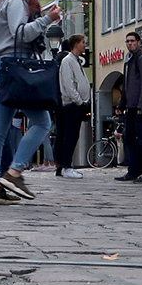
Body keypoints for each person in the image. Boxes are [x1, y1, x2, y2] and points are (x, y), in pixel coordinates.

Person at [0, 0, 62, 205]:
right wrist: (47, 19)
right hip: (15, 68)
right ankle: (14, 172)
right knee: (42, 122)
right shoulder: (16, 1)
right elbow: (21, 33)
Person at [116, 31, 142, 183]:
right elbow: (126, 86)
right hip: (131, 107)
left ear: (139, 42)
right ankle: (133, 170)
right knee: (129, 139)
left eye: (132, 41)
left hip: (140, 106)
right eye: (127, 41)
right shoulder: (129, 60)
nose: (129, 43)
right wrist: (121, 103)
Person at [56, 34, 90, 179]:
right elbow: (68, 84)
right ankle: (66, 166)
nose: (84, 45)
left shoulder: (76, 61)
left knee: (71, 135)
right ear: (76, 44)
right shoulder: (68, 61)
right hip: (72, 104)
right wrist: (79, 101)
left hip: (76, 104)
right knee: (70, 136)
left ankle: (64, 166)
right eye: (83, 42)